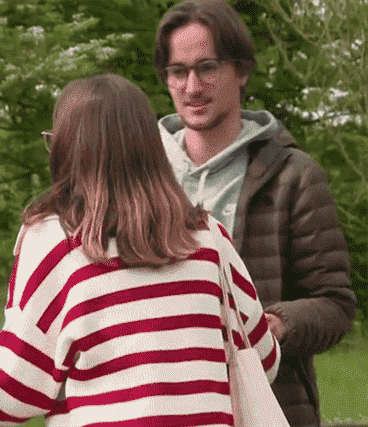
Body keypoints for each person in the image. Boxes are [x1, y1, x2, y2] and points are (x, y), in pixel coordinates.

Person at [0, 73, 281, 426]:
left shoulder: (57, 243)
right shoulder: (208, 238)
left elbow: (8, 393)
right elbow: (262, 356)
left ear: (66, 151)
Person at [152, 1, 357, 426]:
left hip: (265, 406)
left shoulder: (294, 176)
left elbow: (335, 304)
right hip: (159, 404)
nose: (192, 86)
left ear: (242, 71)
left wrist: (273, 326)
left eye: (207, 67)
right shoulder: (142, 175)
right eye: (178, 71)